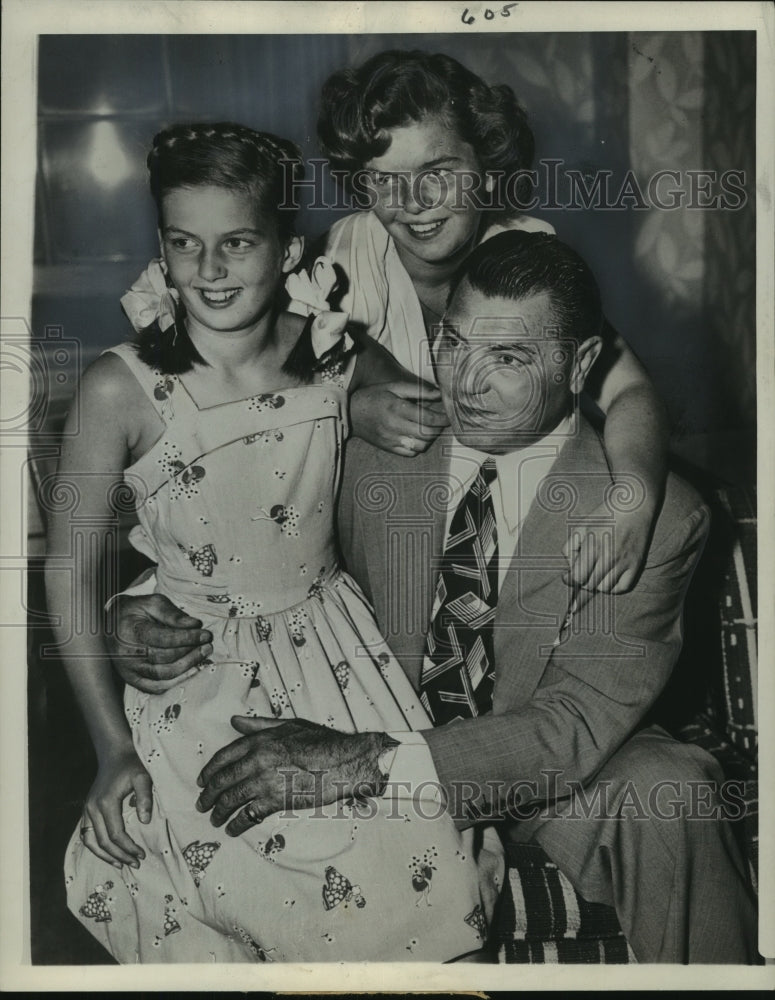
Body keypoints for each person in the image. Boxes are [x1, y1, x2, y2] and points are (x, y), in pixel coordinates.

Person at [112, 230, 758, 963]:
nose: (465, 383)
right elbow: (240, 534)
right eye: (453, 343)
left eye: (507, 359)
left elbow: (572, 726)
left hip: (548, 772)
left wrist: (367, 764)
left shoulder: (650, 513)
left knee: (671, 792)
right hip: (353, 722)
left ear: (578, 366)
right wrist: (138, 606)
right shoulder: (378, 446)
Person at [45, 122, 505, 964]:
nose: (209, 271)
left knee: (409, 872)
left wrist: (361, 402)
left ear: (288, 249)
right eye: (184, 244)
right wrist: (111, 748)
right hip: (194, 675)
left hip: (335, 656)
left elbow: (386, 390)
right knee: (211, 887)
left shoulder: (325, 342)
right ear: (161, 245)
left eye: (237, 244)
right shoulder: (119, 388)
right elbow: (67, 568)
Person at [318, 49, 669, 597]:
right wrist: (346, 407)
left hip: (501, 515)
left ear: (484, 164)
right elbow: (264, 399)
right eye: (384, 181)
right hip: (377, 535)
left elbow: (629, 389)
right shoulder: (340, 260)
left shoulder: (525, 251)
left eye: (437, 171)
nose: (414, 203)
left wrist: (633, 500)